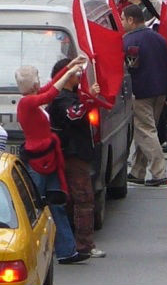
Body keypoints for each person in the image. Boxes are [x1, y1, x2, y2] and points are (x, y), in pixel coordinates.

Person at [15, 59, 90, 265]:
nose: (41, 82)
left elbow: (50, 87)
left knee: (57, 203)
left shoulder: (31, 99)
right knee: (35, 208)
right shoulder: (27, 102)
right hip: (39, 161)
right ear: (33, 83)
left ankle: (67, 250)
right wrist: (68, 73)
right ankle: (30, 251)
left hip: (47, 158)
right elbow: (51, 92)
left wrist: (70, 66)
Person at [46, 57, 102, 257]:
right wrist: (89, 99)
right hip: (72, 154)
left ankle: (70, 243)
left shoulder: (70, 95)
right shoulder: (61, 98)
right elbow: (73, 115)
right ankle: (84, 245)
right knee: (83, 198)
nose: (80, 76)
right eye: (76, 73)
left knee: (71, 200)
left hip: (75, 153)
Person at [121, 4, 167, 186]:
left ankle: (159, 172)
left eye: (122, 18)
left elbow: (129, 69)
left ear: (131, 20)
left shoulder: (128, 41)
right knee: (146, 130)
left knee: (145, 130)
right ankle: (137, 170)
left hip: (140, 92)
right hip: (160, 91)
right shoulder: (159, 38)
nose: (121, 22)